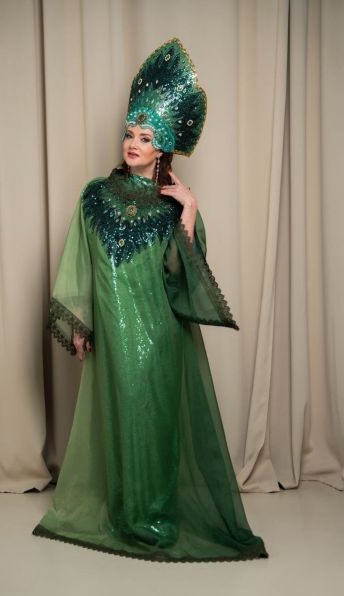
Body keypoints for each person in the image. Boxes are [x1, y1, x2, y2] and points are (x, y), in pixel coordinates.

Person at [32, 37, 269, 562]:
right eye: (129, 134)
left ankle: (153, 516)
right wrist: (79, 322)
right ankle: (124, 512)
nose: (133, 143)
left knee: (154, 423)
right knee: (119, 419)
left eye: (145, 137)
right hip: (111, 333)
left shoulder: (170, 209)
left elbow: (182, 276)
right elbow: (78, 259)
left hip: (158, 333)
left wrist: (189, 210)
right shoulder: (94, 195)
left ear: (162, 148)